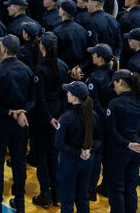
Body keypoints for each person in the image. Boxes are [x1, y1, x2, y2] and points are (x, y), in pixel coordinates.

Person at [0, 34, 35, 213]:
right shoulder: (27, 70)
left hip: (1, 123)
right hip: (20, 123)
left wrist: (10, 112)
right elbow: (32, 98)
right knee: (19, 162)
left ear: (3, 49)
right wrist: (22, 111)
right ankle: (20, 202)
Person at [30, 31, 69, 208]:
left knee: (41, 155)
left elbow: (40, 97)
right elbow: (65, 94)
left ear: (42, 46)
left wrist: (48, 118)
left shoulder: (40, 69)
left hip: (43, 116)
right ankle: (57, 193)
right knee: (54, 155)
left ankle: (45, 193)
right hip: (58, 113)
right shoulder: (63, 66)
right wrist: (62, 115)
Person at [105, 69, 140, 213]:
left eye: (115, 84)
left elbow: (112, 132)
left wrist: (127, 144)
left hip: (119, 150)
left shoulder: (115, 103)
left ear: (121, 82)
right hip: (136, 148)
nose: (114, 88)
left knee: (117, 189)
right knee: (131, 189)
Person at [56, 81, 100, 213]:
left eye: (69, 92)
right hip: (87, 162)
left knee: (67, 201)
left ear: (75, 97)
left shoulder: (66, 118)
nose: (67, 94)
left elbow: (58, 144)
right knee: (83, 199)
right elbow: (99, 139)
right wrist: (89, 150)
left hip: (69, 163)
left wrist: (78, 153)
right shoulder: (93, 115)